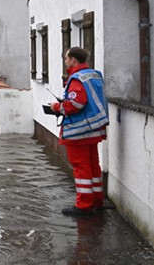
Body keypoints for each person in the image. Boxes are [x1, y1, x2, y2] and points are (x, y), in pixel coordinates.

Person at [50, 46, 109, 216]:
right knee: (93, 165)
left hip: (79, 130)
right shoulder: (94, 74)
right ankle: (97, 201)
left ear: (74, 60)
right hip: (95, 128)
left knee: (81, 167)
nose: (65, 61)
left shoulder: (76, 78)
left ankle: (84, 205)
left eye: (67, 58)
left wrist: (57, 106)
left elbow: (76, 104)